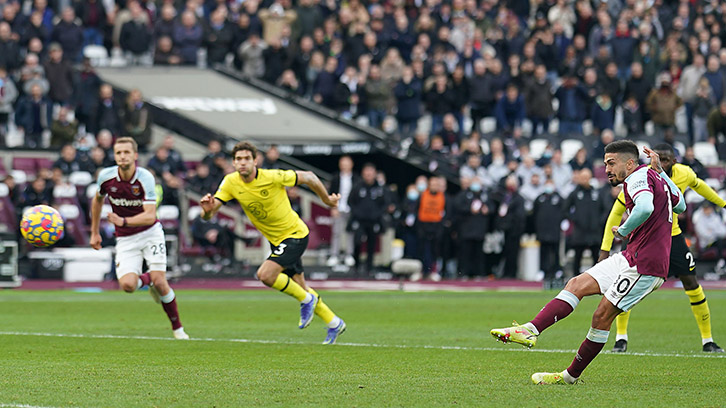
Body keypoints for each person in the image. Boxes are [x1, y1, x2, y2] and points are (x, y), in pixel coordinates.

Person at [491, 141, 686, 385]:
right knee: (577, 283)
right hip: (631, 256)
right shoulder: (653, 175)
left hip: (645, 264)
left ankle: (569, 376)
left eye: (611, 163)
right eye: (605, 164)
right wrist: (661, 172)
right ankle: (530, 330)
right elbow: (681, 204)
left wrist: (624, 229)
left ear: (629, 162)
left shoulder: (636, 178)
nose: (606, 169)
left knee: (602, 315)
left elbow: (645, 207)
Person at [199, 141, 346, 344]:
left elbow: (310, 177)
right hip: (276, 241)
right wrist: (207, 211)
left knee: (265, 275)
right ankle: (334, 323)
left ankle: (307, 300)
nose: (243, 163)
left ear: (255, 161)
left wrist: (326, 200)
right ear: (233, 163)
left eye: (247, 159)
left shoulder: (272, 176)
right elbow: (210, 213)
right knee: (299, 285)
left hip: (295, 234)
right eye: (238, 159)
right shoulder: (230, 182)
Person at [599, 143, 725, 353]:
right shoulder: (642, 177)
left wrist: (723, 204)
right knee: (625, 283)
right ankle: (621, 338)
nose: (662, 163)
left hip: (673, 237)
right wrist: (605, 248)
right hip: (645, 239)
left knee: (692, 284)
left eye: (666, 159)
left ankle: (707, 340)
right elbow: (616, 210)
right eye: (660, 159)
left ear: (674, 160)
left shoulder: (684, 173)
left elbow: (700, 186)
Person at [89, 137, 189, 340]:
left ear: (135, 155)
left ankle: (178, 329)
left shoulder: (145, 178)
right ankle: (147, 279)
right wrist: (94, 232)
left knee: (161, 282)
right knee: (127, 286)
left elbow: (150, 215)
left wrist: (122, 221)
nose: (122, 156)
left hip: (150, 233)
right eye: (118, 153)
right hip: (126, 239)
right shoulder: (106, 177)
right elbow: (97, 200)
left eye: (126, 152)